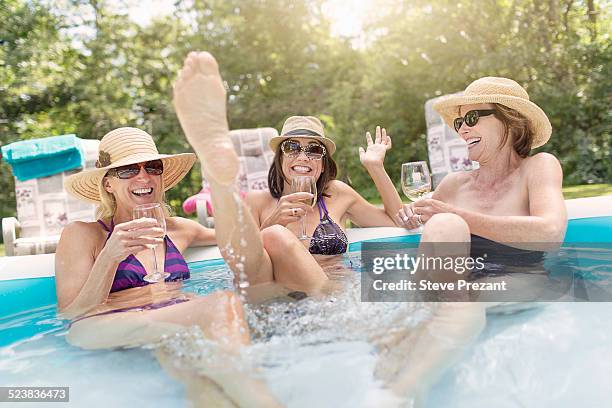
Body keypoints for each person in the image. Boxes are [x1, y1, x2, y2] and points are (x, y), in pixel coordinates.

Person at [374, 77, 568, 404]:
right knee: (446, 224)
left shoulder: (538, 167)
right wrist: (376, 168)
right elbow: (404, 218)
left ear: (510, 120)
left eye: (473, 118)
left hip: (518, 279)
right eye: (460, 122)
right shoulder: (454, 185)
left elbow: (550, 233)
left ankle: (399, 391)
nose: (462, 129)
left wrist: (459, 215)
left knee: (461, 281)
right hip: (454, 286)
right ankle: (409, 328)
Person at [56, 127, 282, 407]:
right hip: (101, 325)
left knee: (203, 385)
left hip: (165, 323)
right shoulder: (84, 234)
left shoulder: (179, 229)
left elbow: (239, 239)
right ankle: (262, 400)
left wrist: (278, 222)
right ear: (108, 184)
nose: (143, 176)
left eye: (152, 167)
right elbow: (72, 312)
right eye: (127, 170)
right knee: (221, 303)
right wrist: (109, 257)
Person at [173, 53, 402, 296]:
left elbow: (396, 223)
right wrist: (274, 221)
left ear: (323, 164)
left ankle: (330, 302)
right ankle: (219, 176)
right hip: (278, 298)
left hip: (337, 291)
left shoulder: (337, 194)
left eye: (314, 150)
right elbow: (242, 262)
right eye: (292, 147)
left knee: (274, 236)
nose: (302, 157)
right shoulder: (258, 201)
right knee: (272, 236)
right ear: (280, 158)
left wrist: (376, 168)